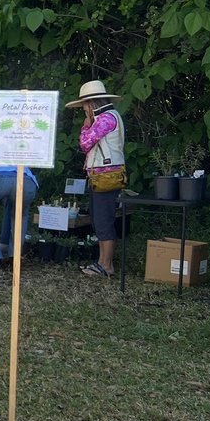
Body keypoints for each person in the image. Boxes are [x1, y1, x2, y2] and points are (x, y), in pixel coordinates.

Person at [68, 80, 126, 277]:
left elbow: (85, 143)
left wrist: (85, 126)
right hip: (102, 176)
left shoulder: (105, 119)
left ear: (91, 104)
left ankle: (106, 264)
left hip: (105, 176)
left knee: (103, 219)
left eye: (84, 105)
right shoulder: (110, 116)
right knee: (100, 218)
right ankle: (102, 262)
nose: (83, 109)